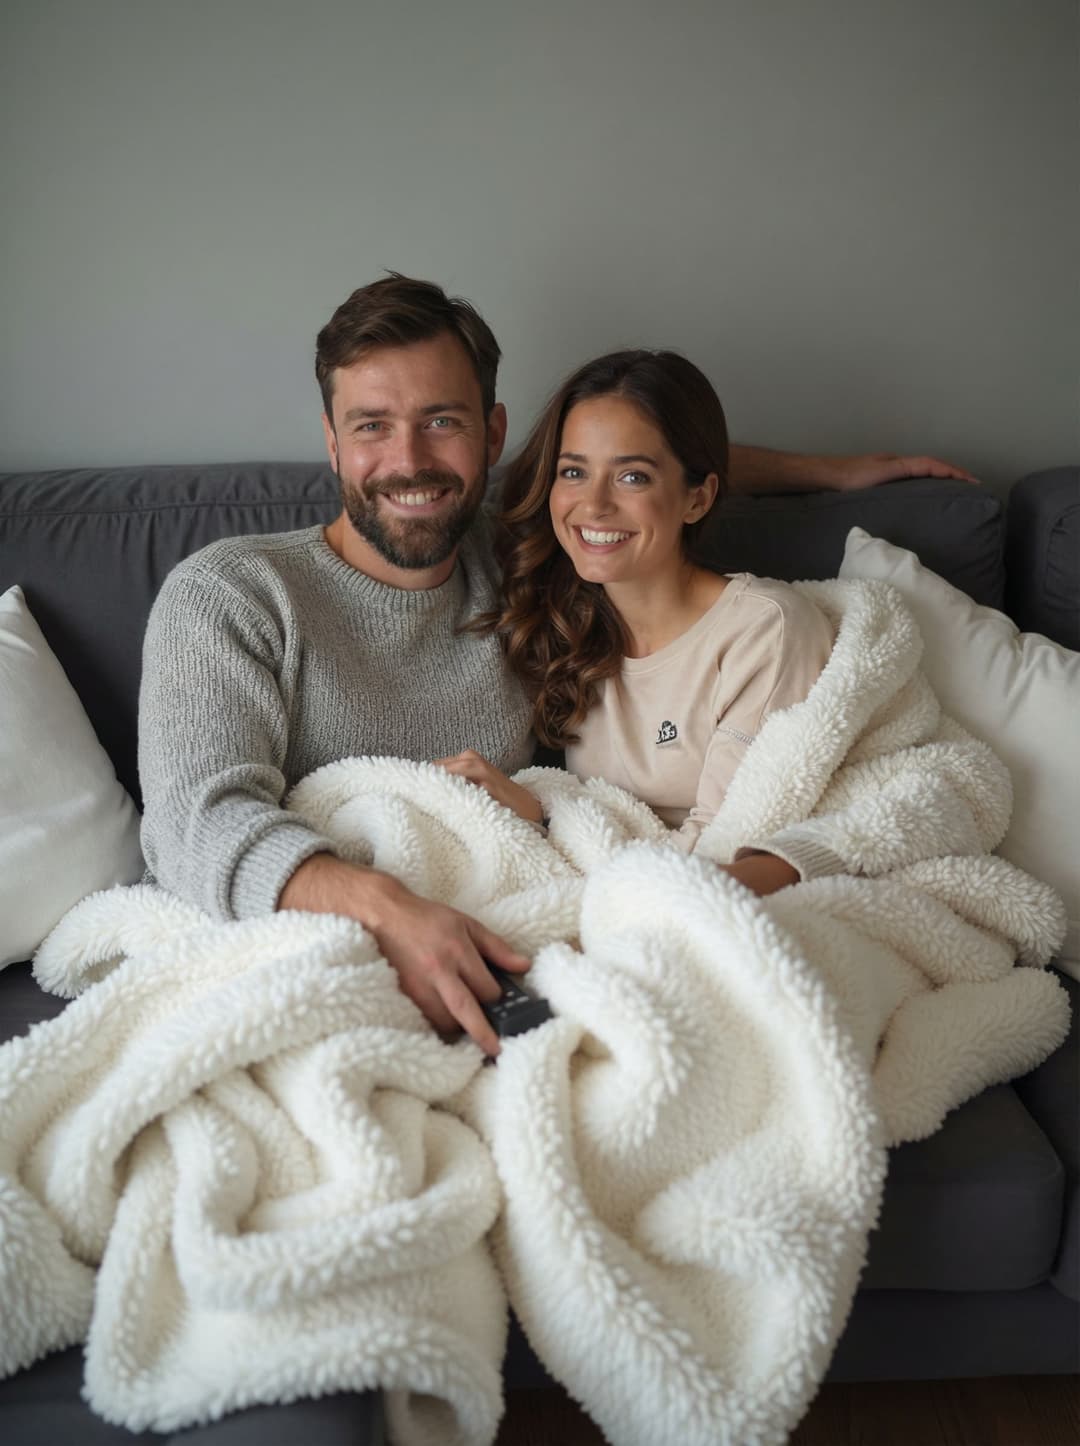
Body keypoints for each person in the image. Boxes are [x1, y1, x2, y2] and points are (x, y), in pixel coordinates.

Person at [139, 274, 975, 1056]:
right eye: (371, 426)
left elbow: (639, 463)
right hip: (335, 941)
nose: (409, 460)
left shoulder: (530, 552)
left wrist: (835, 475)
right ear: (330, 441)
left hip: (521, 930)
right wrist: (390, 911)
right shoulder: (235, 594)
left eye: (442, 420)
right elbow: (192, 822)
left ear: (494, 436)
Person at [437, 348, 833, 897]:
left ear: (698, 498)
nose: (593, 505)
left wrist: (546, 814)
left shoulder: (764, 632)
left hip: (707, 899)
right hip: (608, 885)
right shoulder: (569, 621)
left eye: (632, 477)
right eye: (574, 471)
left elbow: (731, 848)